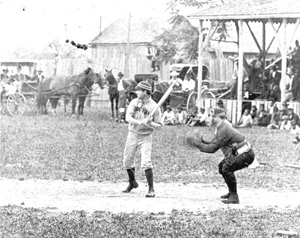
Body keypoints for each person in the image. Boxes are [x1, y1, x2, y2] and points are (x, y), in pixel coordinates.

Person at [184, 108, 255, 204]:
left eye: (211, 116)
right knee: (222, 167)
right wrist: (203, 141)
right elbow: (215, 142)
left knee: (226, 168)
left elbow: (213, 148)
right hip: (242, 153)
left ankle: (234, 196)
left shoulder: (223, 129)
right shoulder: (221, 127)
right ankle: (231, 192)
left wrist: (198, 144)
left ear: (217, 118)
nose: (208, 118)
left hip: (245, 154)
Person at [122, 81, 162, 198]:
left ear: (145, 92)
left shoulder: (154, 106)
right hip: (133, 134)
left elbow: (160, 126)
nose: (137, 92)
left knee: (146, 162)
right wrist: (140, 121)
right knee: (127, 161)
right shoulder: (134, 102)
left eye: (139, 90)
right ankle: (132, 182)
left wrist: (150, 122)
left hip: (146, 137)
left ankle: (151, 189)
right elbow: (128, 117)